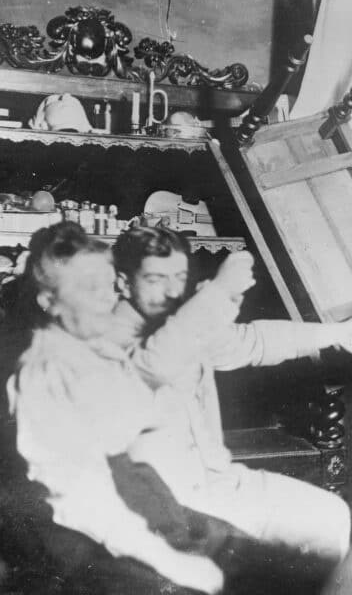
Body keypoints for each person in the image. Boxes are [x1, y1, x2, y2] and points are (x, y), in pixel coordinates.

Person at [107, 226, 352, 574]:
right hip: (160, 506)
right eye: (155, 278)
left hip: (217, 485)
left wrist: (337, 334)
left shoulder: (180, 325)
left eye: (179, 277)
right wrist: (219, 292)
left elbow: (252, 341)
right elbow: (156, 363)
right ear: (122, 282)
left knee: (329, 515)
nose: (171, 291)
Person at [6, 222, 226, 593]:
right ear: (48, 300)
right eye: (90, 289)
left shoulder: (89, 351)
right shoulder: (43, 371)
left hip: (124, 496)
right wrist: (168, 559)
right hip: (70, 529)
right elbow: (77, 499)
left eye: (109, 286)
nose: (108, 300)